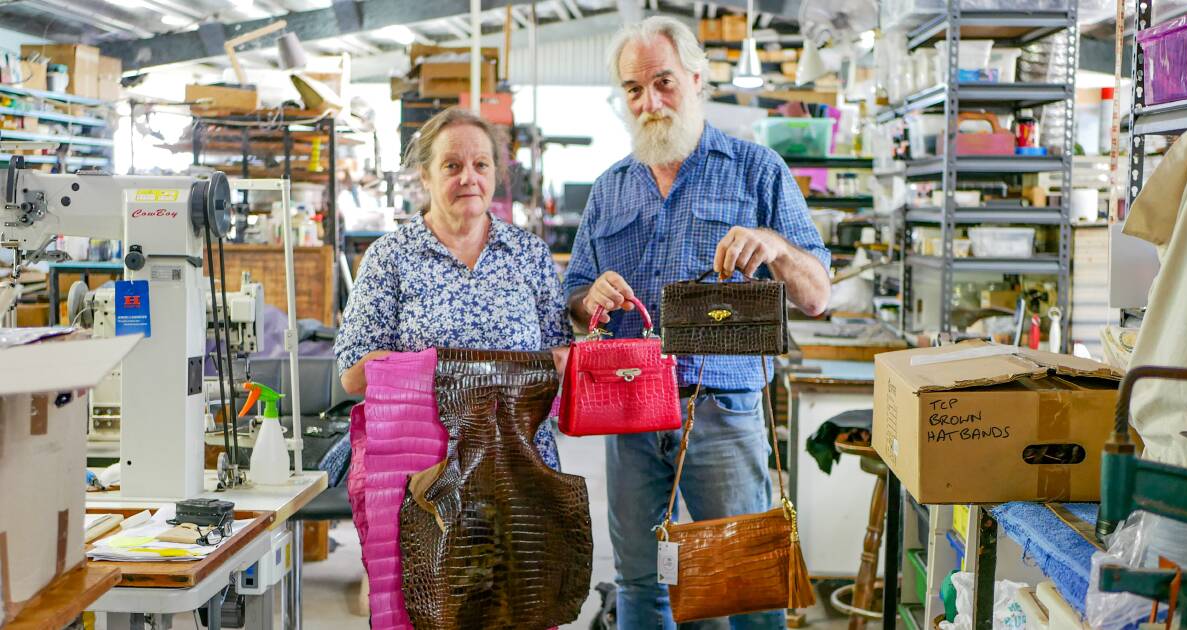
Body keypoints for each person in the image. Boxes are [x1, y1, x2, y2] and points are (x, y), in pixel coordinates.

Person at [563, 17, 832, 629]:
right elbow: (574, 295)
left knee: (743, 585)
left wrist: (774, 246)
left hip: (725, 413)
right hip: (630, 411)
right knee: (641, 580)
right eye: (633, 89)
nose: (649, 102)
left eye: (663, 83)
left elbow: (817, 295)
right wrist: (588, 298)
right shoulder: (610, 190)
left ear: (696, 77)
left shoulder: (756, 171)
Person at [336, 108, 572, 469]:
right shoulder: (390, 257)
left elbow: (561, 358)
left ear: (495, 173)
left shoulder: (528, 254)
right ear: (425, 177)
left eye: (481, 165)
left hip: (520, 469)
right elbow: (353, 375)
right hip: (421, 471)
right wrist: (467, 372)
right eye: (451, 166)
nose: (469, 178)